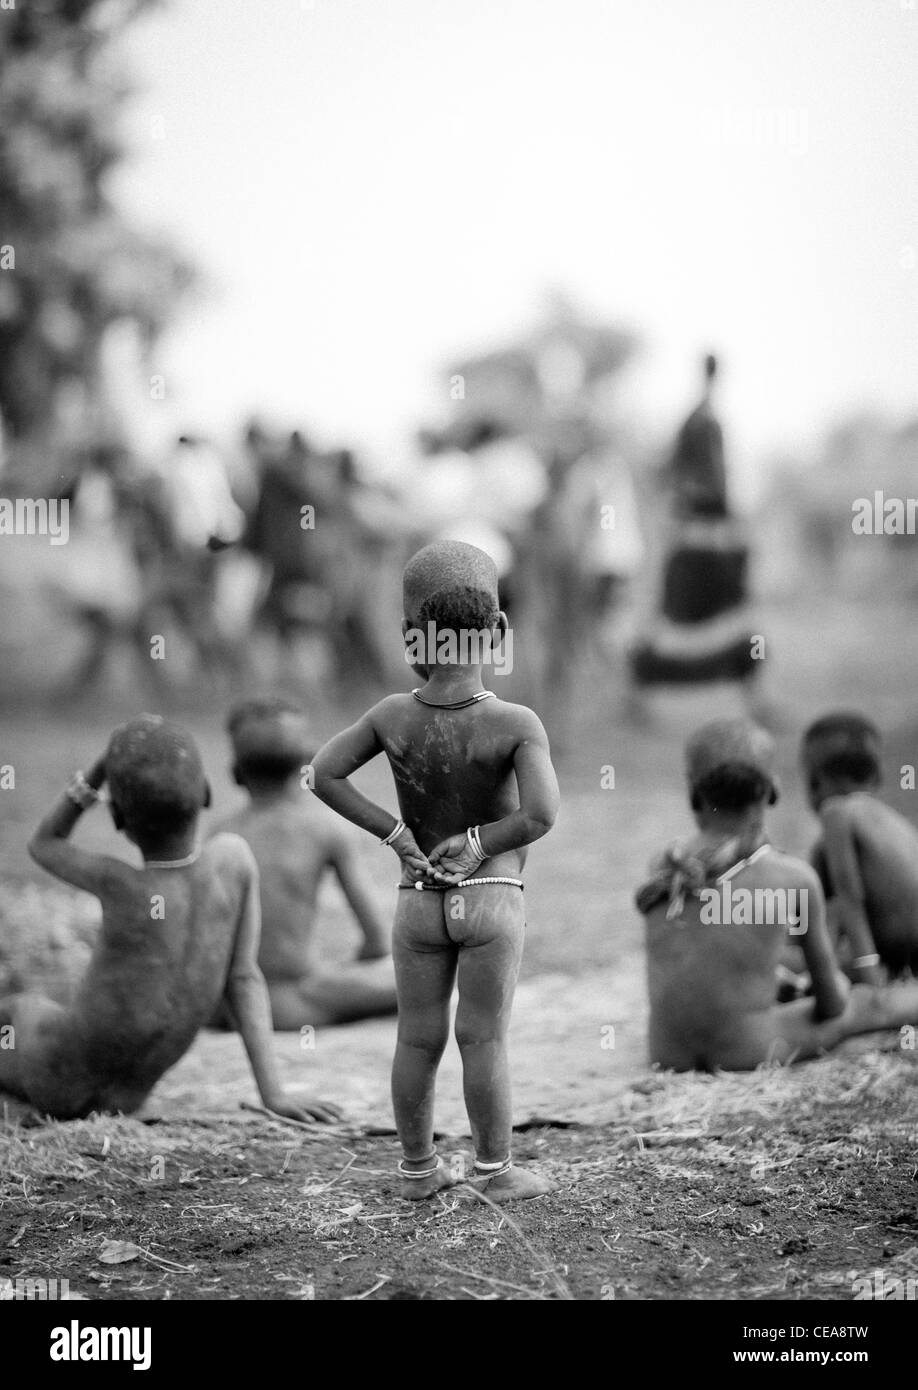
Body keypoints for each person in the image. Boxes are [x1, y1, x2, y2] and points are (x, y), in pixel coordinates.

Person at [310, 541, 560, 1201]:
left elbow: (323, 775)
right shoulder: (515, 722)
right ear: (500, 631)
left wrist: (396, 835)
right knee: (483, 1036)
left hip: (417, 900)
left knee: (417, 1037)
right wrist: (478, 844)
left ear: (407, 636)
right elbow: (540, 815)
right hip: (490, 897)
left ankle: (419, 1172)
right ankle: (493, 1172)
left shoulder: (391, 716)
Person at [0, 716, 339, 1123]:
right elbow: (244, 979)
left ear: (119, 819)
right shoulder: (233, 862)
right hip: (127, 1099)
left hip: (55, 1084)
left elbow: (44, 843)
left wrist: (95, 775)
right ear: (207, 795)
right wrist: (275, 1094)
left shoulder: (119, 884)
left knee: (22, 1006)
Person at [637, 717, 918, 1070]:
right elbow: (831, 1007)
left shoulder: (665, 865)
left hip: (667, 1055)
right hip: (748, 1052)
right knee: (868, 1004)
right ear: (772, 789)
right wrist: (840, 984)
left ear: (694, 791)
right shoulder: (793, 878)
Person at [211, 696, 398, 1028]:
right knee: (419, 980)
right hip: (295, 1003)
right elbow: (378, 941)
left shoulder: (220, 833)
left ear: (236, 771)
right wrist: (342, 969)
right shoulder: (326, 829)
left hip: (227, 1005)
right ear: (308, 766)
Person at [802, 712, 918, 981]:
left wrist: (871, 979)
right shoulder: (897, 822)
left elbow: (849, 900)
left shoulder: (836, 812)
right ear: (876, 776)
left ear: (814, 781)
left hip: (892, 959)